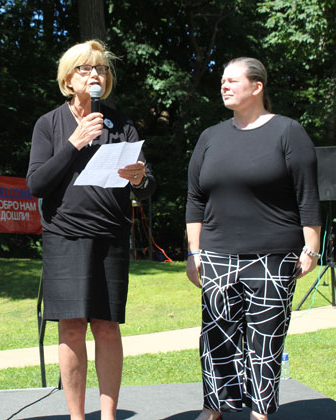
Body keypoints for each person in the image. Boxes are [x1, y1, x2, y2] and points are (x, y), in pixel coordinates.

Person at [186, 57, 321, 420]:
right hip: (216, 255)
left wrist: (311, 247)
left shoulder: (288, 132)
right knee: (216, 339)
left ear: (257, 87)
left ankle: (260, 412)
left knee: (265, 341)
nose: (224, 86)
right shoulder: (210, 137)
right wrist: (193, 253)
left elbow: (306, 195)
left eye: (232, 80)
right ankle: (214, 407)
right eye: (222, 81)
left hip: (274, 254)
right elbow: (195, 199)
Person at [27, 40, 155, 420]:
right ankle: (76, 416)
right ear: (68, 79)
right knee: (70, 328)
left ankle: (109, 414)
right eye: (85, 69)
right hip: (65, 235)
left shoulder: (123, 123)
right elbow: (36, 183)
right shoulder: (50, 124)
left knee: (107, 326)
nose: (95, 74)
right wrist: (73, 143)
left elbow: (148, 186)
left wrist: (140, 177)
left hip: (111, 235)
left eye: (100, 69)